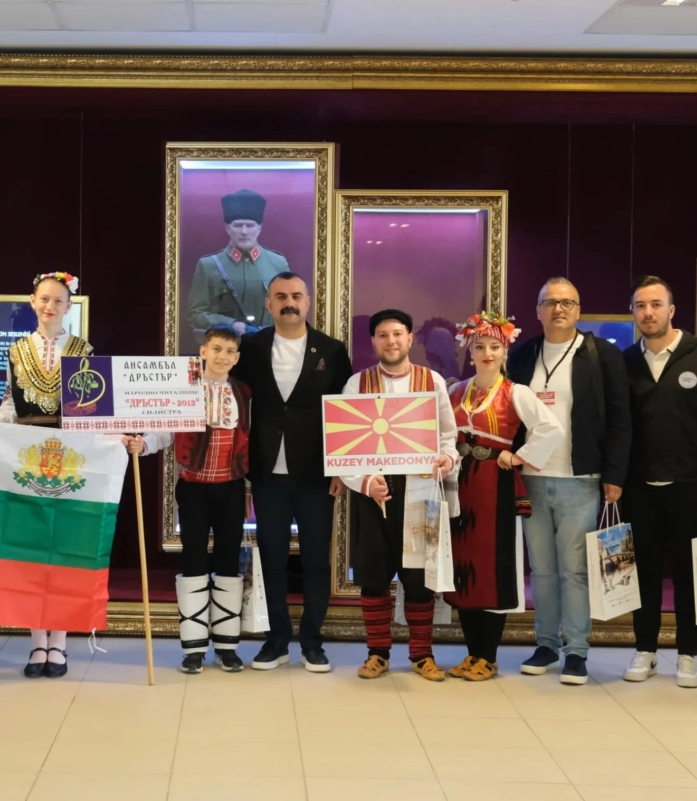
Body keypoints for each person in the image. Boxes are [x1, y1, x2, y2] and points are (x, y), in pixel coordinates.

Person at [507, 277, 630, 685]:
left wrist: (614, 475)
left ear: (578, 310)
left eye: (567, 302)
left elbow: (620, 418)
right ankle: (546, 643)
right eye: (550, 303)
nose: (559, 309)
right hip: (531, 479)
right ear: (537, 310)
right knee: (541, 569)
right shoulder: (523, 354)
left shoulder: (600, 354)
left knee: (574, 569)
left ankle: (576, 649)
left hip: (581, 478)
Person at [232, 271, 351, 673]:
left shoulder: (332, 350)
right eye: (280, 296)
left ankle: (313, 643)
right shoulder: (250, 347)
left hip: (317, 471)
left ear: (307, 301)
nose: (289, 303)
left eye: (296, 296)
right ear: (268, 304)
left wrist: (341, 468)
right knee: (272, 558)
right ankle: (276, 640)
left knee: (316, 559)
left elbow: (344, 412)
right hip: (266, 472)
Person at [622, 275, 697, 688]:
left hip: (691, 487)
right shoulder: (625, 361)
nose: (648, 312)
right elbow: (618, 424)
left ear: (671, 310)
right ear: (633, 313)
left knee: (689, 575)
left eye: (655, 305)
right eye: (640, 306)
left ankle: (688, 654)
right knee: (643, 574)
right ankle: (645, 649)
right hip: (638, 488)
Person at [126, 327, 254, 673]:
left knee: (228, 561)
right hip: (194, 489)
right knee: (195, 559)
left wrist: (251, 484)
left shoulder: (243, 393)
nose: (223, 356)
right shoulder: (184, 389)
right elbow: (165, 430)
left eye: (230, 351)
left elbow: (251, 440)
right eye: (217, 349)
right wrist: (144, 444)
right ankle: (194, 648)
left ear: (237, 358)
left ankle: (226, 646)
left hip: (231, 489)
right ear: (203, 351)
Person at [337, 310, 456, 681]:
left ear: (409, 339)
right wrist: (365, 481)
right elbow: (344, 444)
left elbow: (447, 435)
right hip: (375, 491)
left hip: (421, 489)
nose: (391, 341)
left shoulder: (431, 380)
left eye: (398, 334)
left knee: (419, 576)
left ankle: (422, 654)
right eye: (383, 335)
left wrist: (447, 459)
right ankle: (377, 653)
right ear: (374, 341)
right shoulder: (357, 384)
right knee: (373, 575)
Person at [446, 311, 562, 680]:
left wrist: (518, 456)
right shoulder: (455, 392)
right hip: (459, 485)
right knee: (464, 568)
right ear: (469, 352)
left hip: (494, 486)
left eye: (494, 347)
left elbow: (551, 429)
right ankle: (472, 654)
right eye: (479, 346)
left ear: (505, 352)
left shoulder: (517, 392)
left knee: (492, 568)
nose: (487, 353)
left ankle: (489, 656)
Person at [0, 271, 93, 678]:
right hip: (28, 457)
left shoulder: (84, 350)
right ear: (32, 302)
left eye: (58, 300)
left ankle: (61, 641)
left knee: (65, 550)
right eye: (44, 299)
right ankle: (38, 641)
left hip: (70, 458)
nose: (50, 306)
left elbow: (93, 407)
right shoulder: (16, 350)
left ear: (69, 306)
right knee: (33, 551)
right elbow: (9, 404)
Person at [186, 190, 291, 341]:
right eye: (237, 225)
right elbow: (195, 315)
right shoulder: (208, 266)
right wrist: (230, 324)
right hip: (225, 347)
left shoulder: (277, 263)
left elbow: (288, 308)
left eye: (250, 225)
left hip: (268, 346)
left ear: (259, 228)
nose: (244, 231)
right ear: (227, 228)